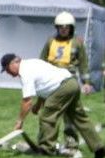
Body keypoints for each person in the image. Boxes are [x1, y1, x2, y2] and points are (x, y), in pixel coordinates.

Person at [0, 53, 104, 158]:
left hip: (62, 87)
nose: (8, 73)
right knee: (80, 118)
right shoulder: (32, 63)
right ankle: (98, 147)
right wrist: (38, 105)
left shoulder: (24, 72)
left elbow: (27, 102)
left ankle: (46, 149)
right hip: (72, 83)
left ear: (13, 63)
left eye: (7, 69)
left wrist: (20, 121)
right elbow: (45, 85)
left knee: (47, 117)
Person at [39, 11, 93, 150]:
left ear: (71, 28)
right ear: (57, 27)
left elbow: (83, 64)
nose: (63, 29)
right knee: (48, 112)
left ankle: (71, 141)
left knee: (71, 114)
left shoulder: (77, 43)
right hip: (51, 81)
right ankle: (46, 140)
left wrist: (86, 83)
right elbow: (42, 61)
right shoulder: (50, 42)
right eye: (60, 26)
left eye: (66, 26)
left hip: (69, 81)